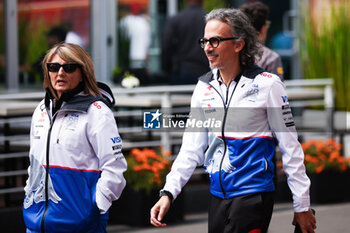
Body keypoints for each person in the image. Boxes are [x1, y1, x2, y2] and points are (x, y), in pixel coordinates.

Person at [150, 8, 316, 233]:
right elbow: (191, 149)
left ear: (239, 44)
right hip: (217, 195)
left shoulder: (268, 85)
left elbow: (290, 147)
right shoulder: (203, 87)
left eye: (216, 41)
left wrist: (302, 205)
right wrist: (168, 193)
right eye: (205, 41)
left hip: (253, 194)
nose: (208, 47)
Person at [22, 43, 127, 232]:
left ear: (83, 71)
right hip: (35, 224)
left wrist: (96, 206)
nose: (60, 73)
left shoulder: (97, 112)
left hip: (81, 225)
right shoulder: (40, 110)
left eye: (69, 67)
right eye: (53, 67)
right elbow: (34, 164)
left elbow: (115, 166)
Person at [161, 0, 210, 84]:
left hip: (182, 71)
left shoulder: (176, 19)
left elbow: (166, 46)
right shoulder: (209, 20)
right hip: (205, 70)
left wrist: (166, 70)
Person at [240, 1, 284, 80]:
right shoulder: (271, 57)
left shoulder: (234, 52)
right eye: (267, 24)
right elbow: (277, 89)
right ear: (263, 28)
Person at [119, 3, 151, 85]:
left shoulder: (124, 22)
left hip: (128, 60)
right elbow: (147, 41)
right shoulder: (143, 22)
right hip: (141, 58)